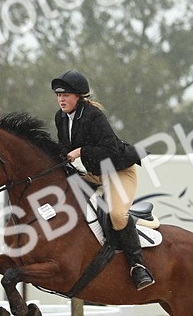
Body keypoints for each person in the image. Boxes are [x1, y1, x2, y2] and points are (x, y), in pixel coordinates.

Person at [51, 69, 154, 290]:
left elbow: (111, 150)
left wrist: (81, 151)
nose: (61, 99)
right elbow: (63, 148)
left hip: (118, 170)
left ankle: (138, 266)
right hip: (96, 173)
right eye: (58, 95)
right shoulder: (61, 117)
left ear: (79, 96)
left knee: (116, 214)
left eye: (66, 95)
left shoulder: (93, 116)